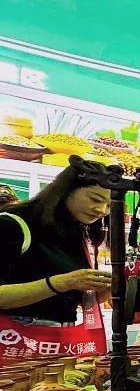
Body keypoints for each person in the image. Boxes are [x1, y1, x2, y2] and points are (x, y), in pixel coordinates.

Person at [0, 156, 118, 363]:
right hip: (16, 343)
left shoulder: (76, 233)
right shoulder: (13, 225)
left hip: (59, 344)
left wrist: (106, 289)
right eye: (95, 199)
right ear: (66, 190)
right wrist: (63, 282)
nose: (102, 211)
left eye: (109, 205)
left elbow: (68, 299)